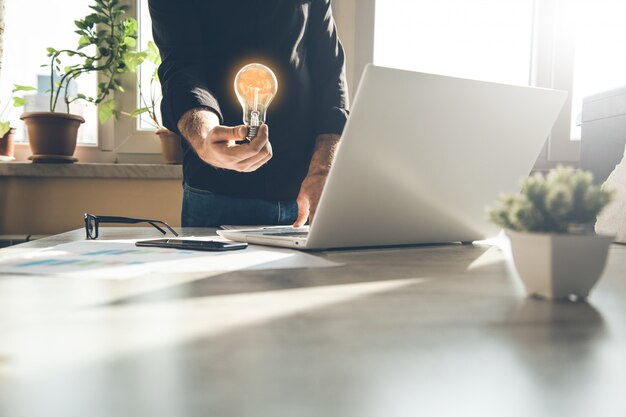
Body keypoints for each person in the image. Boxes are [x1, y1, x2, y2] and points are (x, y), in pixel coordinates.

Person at [148, 0, 349, 228]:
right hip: (218, 195)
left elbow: (330, 74)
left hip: (306, 190)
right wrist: (205, 136)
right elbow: (181, 67)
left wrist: (323, 169)